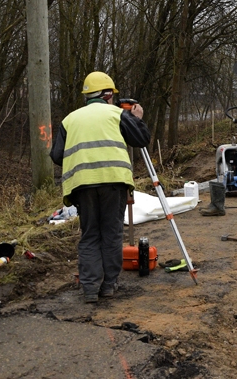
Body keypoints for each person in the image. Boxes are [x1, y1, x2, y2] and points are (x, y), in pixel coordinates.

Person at [50, 71, 151, 304]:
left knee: (90, 235)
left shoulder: (69, 120)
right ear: (106, 95)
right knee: (111, 233)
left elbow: (57, 155)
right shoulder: (117, 114)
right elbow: (142, 139)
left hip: (82, 186)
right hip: (113, 182)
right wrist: (137, 117)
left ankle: (89, 289)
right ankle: (108, 286)